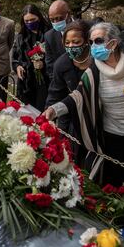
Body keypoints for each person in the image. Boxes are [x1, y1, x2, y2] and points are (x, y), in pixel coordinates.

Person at [43, 22, 124, 188]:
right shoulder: (93, 71)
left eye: (98, 41)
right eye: (91, 42)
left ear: (113, 43)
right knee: (112, 177)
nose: (93, 46)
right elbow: (77, 97)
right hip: (112, 131)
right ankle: (117, 205)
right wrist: (53, 110)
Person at [45, 20, 92, 165]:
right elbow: (55, 93)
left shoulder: (97, 60)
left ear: (86, 41)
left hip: (96, 114)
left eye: (76, 42)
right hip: (71, 115)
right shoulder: (61, 64)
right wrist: (48, 114)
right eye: (67, 43)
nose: (71, 46)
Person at [12, 4, 51, 111]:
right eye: (27, 21)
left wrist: (44, 63)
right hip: (26, 82)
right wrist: (17, 67)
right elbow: (15, 58)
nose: (30, 23)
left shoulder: (49, 33)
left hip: (45, 81)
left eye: (33, 19)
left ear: (39, 17)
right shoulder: (21, 36)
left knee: (42, 112)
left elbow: (56, 57)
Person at [44, 0, 71, 80]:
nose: (56, 22)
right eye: (52, 20)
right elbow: (50, 63)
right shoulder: (49, 36)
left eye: (59, 18)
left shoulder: (85, 28)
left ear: (68, 14)